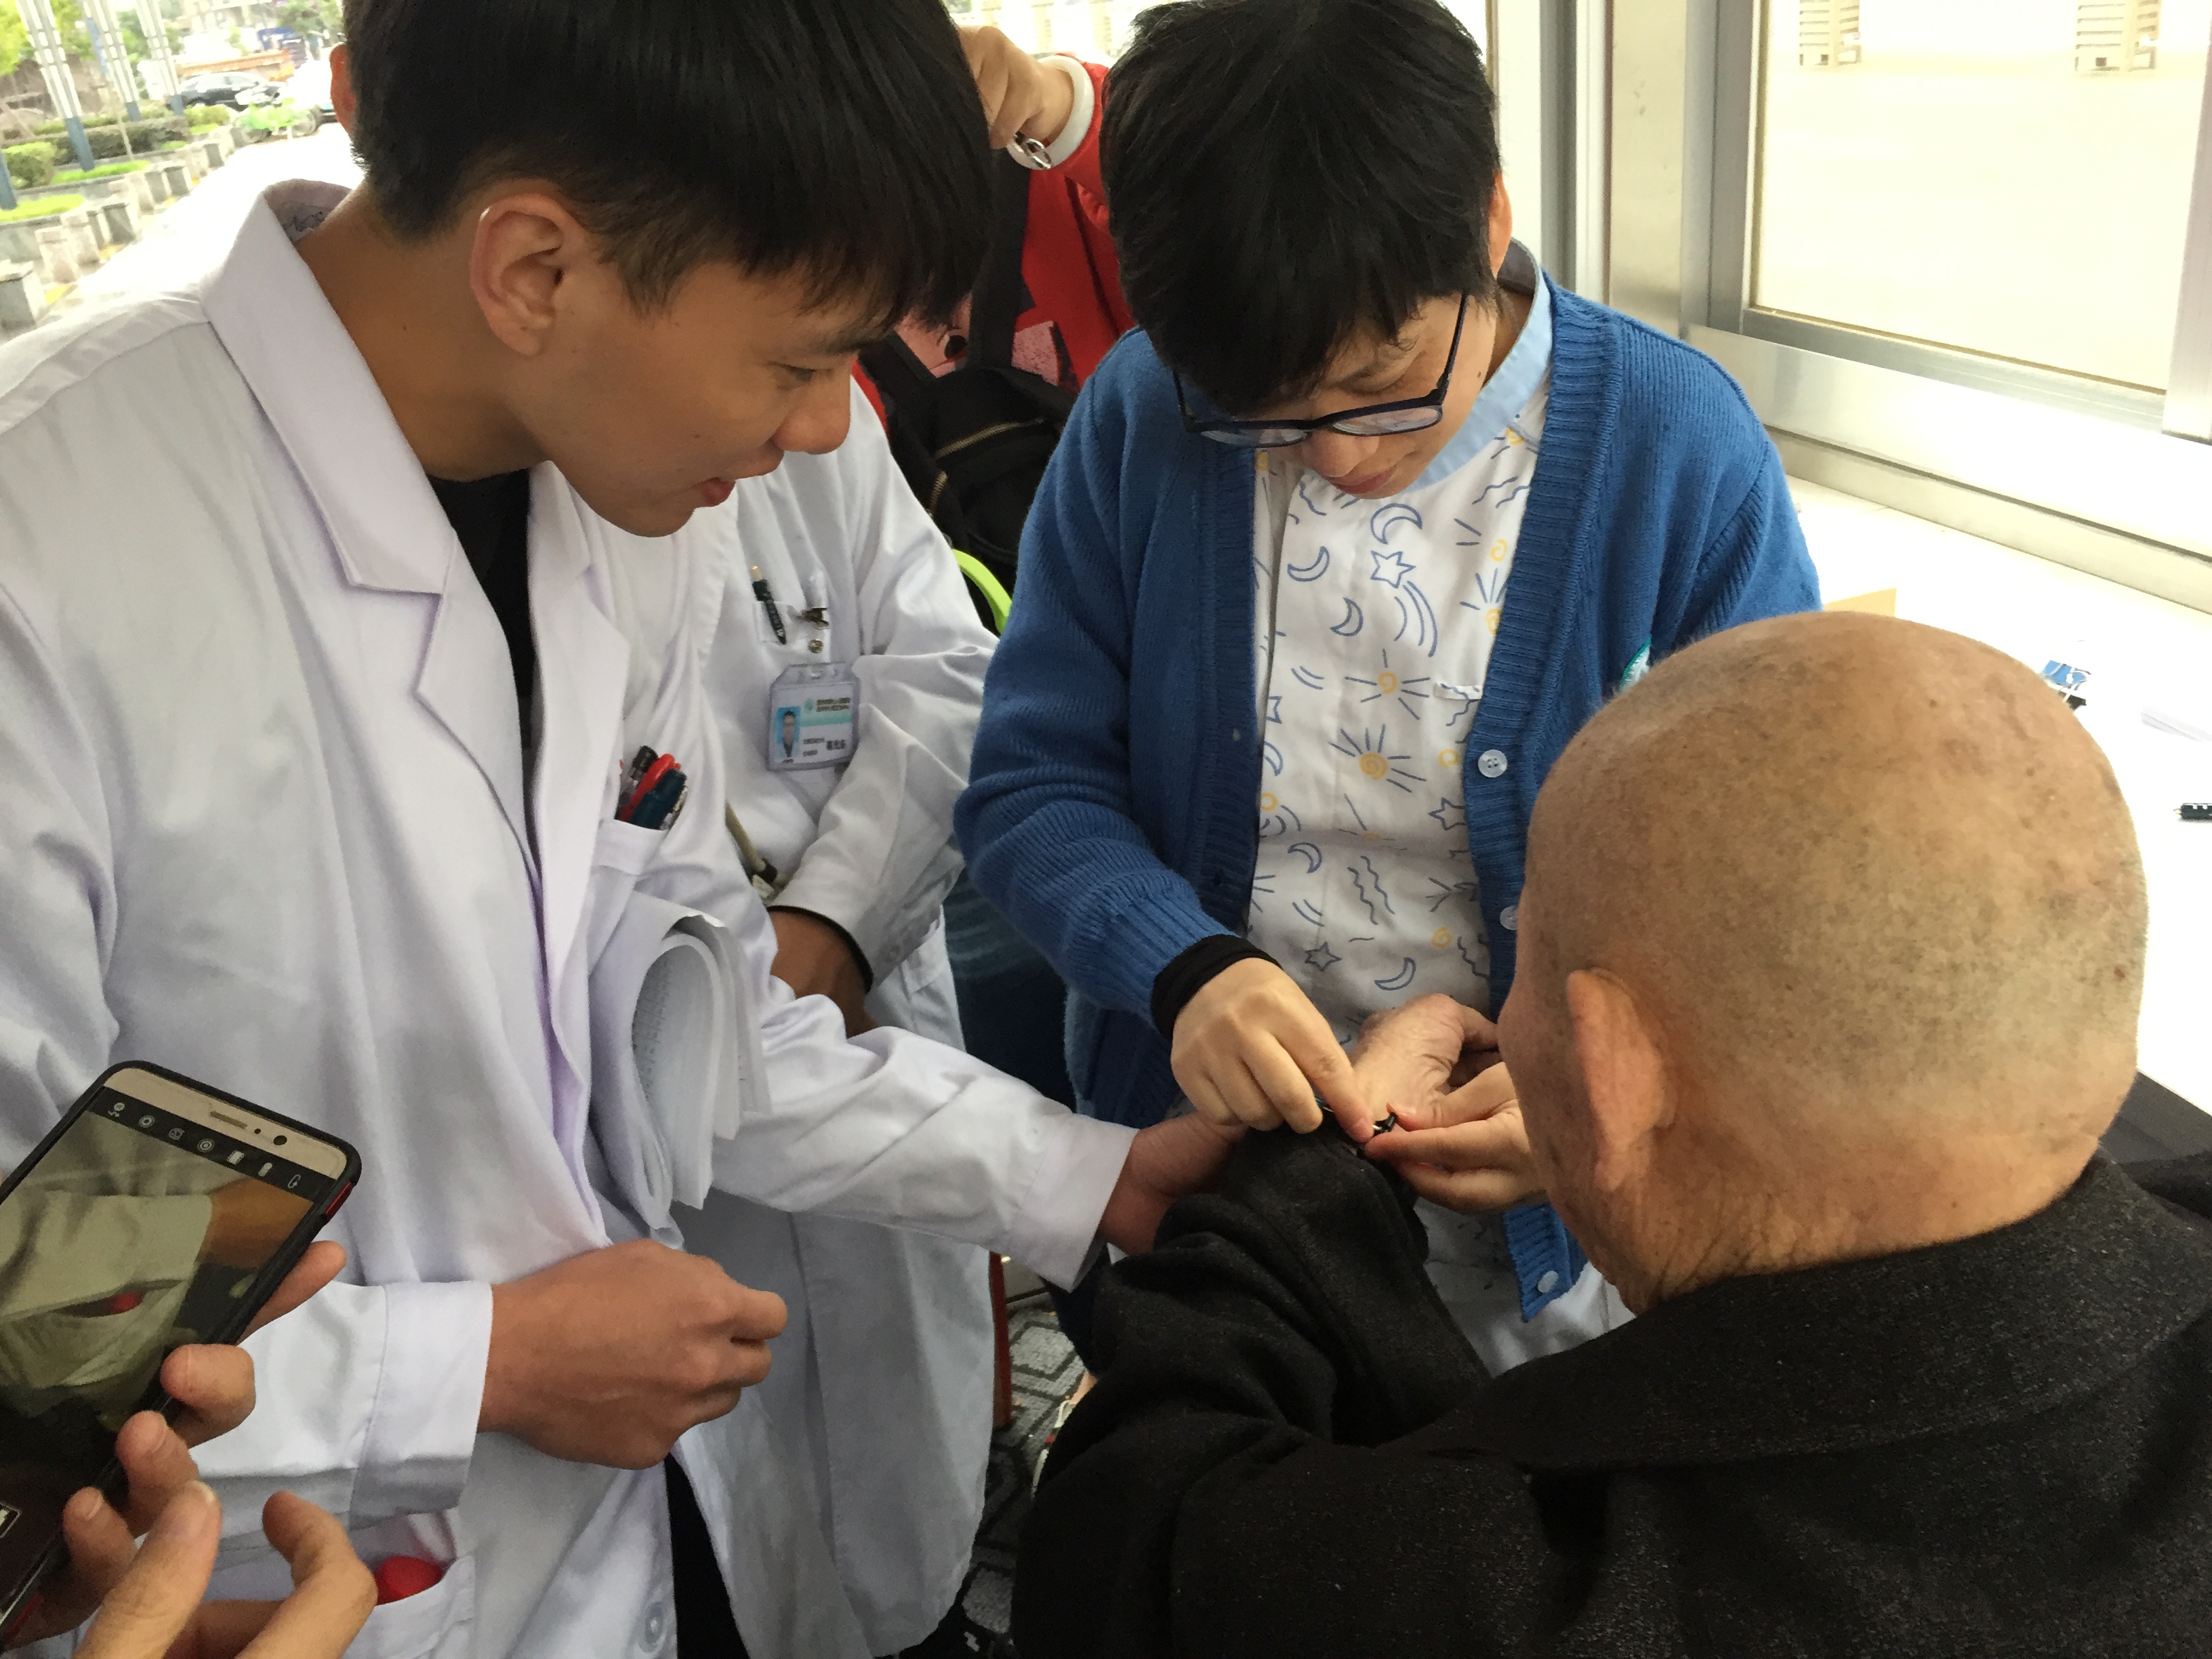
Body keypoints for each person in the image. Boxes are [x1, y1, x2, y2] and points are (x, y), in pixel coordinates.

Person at [0, 4, 1231, 1656]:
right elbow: (33, 1329)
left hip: (629, 1540)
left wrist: (1095, 1180)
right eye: (798, 363)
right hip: (278, 1592)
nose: (826, 432)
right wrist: (477, 1366)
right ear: (534, 269)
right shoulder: (48, 569)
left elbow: (688, 1021)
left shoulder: (602, 513)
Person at [1012, 611, 2212, 1658]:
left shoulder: (1480, 1599)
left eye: (1524, 955)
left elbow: (1126, 1528)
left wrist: (1313, 1172)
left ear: (1612, 1069)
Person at [956, 0, 1820, 1369]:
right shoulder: (1143, 414)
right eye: (1259, 416)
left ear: (1487, 224)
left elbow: (1772, 864)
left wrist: (1601, 1083)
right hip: (1220, 1192)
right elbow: (1031, 786)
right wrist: (1181, 970)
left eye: (1381, 386)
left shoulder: (1672, 447)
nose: (1336, 459)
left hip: (1541, 1223)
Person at [682, 377, 1001, 1650]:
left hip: (868, 995)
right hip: (680, 1137)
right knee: (730, 1531)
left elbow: (946, 673)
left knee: (908, 1488)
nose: (822, 419)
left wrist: (839, 924)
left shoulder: (814, 404)